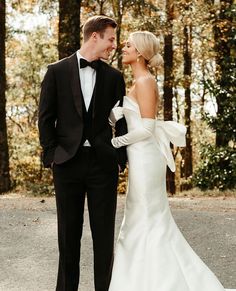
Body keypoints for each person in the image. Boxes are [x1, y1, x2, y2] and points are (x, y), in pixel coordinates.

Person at [108, 31, 234, 291]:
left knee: (146, 216)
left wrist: (114, 143)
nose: (123, 47)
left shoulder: (145, 81)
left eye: (128, 45)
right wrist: (114, 115)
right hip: (139, 156)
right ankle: (139, 278)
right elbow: (130, 119)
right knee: (137, 216)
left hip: (146, 157)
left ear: (140, 53)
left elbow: (147, 129)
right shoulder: (136, 81)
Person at [38, 16, 127, 291]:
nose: (114, 45)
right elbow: (45, 118)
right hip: (67, 163)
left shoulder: (114, 77)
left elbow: (122, 122)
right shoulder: (56, 71)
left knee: (103, 239)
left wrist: (120, 158)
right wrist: (52, 154)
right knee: (68, 236)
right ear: (94, 37)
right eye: (111, 39)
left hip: (103, 165)